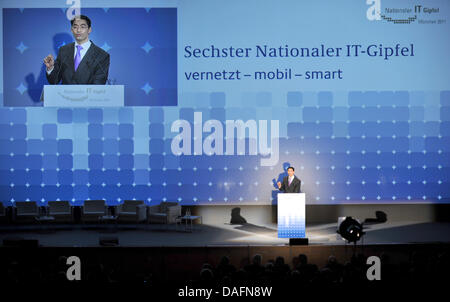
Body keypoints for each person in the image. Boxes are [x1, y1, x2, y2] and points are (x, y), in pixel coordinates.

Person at [43, 15, 110, 85]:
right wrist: (50, 68)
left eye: (82, 27)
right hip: (65, 95)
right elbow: (54, 81)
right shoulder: (64, 50)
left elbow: (99, 85)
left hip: (88, 95)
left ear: (89, 30)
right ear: (71, 30)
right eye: (75, 27)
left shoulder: (101, 55)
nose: (78, 30)